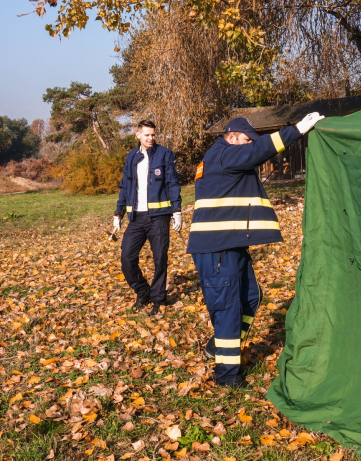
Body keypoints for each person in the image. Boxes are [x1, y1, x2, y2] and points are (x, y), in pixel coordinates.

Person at [186, 112, 325, 387]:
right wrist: (296, 130)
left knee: (250, 296)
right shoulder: (224, 154)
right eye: (247, 140)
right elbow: (259, 152)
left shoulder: (222, 156)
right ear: (233, 136)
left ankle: (219, 346)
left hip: (229, 243)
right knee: (228, 309)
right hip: (218, 248)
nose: (250, 145)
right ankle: (227, 376)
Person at [114, 119, 182, 316]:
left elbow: (172, 183)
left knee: (160, 259)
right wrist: (119, 213)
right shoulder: (131, 158)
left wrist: (177, 211)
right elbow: (125, 187)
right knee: (127, 258)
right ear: (138, 135)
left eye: (153, 135)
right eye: (147, 135)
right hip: (136, 218)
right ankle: (143, 291)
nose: (151, 138)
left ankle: (158, 299)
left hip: (159, 218)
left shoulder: (165, 154)